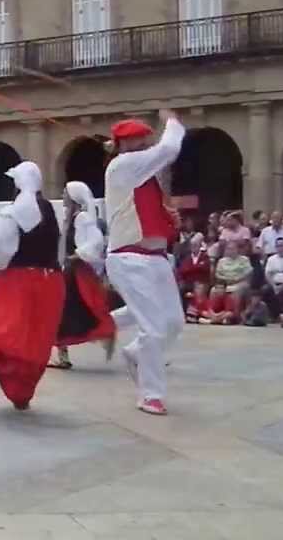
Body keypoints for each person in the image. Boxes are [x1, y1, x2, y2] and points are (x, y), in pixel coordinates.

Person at [104, 110, 186, 416]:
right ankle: (150, 394)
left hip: (155, 258)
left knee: (173, 323)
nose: (144, 143)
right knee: (153, 328)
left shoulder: (143, 174)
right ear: (124, 144)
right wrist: (172, 121)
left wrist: (167, 218)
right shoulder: (123, 165)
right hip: (129, 258)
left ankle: (136, 353)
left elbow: (142, 213)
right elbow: (169, 148)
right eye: (138, 138)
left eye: (145, 138)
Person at [0, 162, 65, 410]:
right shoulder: (50, 211)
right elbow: (59, 249)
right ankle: (21, 394)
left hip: (15, 280)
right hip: (50, 282)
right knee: (35, 341)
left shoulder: (13, 211)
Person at [50, 182, 116, 370]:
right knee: (65, 310)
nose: (62, 196)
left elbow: (96, 240)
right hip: (71, 269)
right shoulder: (71, 218)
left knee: (71, 309)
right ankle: (64, 353)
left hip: (77, 271)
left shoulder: (81, 218)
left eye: (65, 193)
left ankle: (105, 332)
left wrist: (77, 254)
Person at [207, 240, 253, 324]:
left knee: (237, 290)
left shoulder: (244, 259)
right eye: (228, 249)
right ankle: (214, 314)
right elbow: (217, 274)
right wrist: (226, 279)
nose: (230, 251)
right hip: (225, 283)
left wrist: (236, 279)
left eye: (232, 249)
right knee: (213, 290)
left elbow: (248, 272)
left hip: (239, 282)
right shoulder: (222, 261)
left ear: (237, 249)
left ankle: (234, 317)